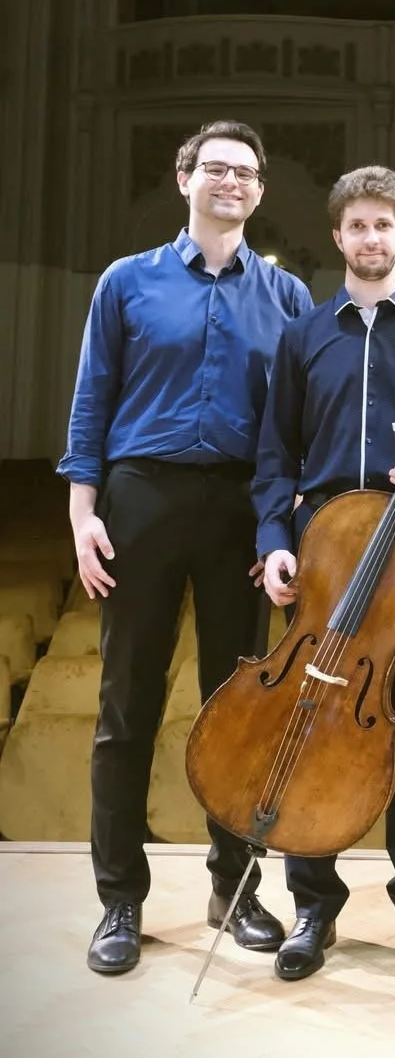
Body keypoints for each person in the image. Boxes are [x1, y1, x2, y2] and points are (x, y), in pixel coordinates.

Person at [59, 120, 311, 975]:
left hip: (242, 506)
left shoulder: (286, 298)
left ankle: (235, 888)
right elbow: (92, 400)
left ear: (260, 192)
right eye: (214, 169)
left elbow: (298, 430)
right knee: (125, 708)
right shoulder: (127, 283)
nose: (229, 182)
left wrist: (281, 528)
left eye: (244, 172)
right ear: (183, 180)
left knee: (234, 713)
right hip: (140, 499)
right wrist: (81, 511)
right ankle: (119, 903)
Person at [257, 166, 395, 982]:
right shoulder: (303, 335)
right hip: (322, 559)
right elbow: (275, 455)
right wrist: (273, 537)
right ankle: (312, 904)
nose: (371, 238)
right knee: (310, 731)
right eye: (357, 225)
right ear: (338, 237)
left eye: (384, 224)